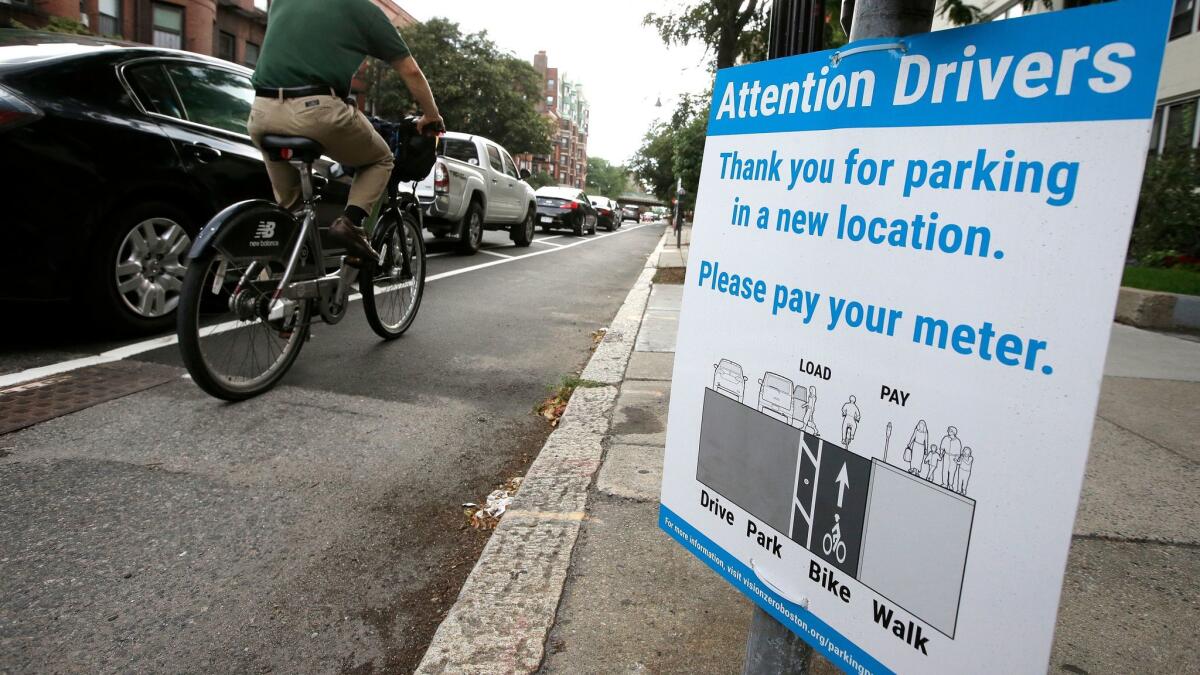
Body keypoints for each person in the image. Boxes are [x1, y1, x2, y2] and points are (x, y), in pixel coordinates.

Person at [247, 0, 443, 264]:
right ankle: (350, 224)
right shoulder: (364, 10)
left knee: (291, 214)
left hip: (261, 113)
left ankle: (277, 282)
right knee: (381, 159)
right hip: (316, 111)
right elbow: (410, 70)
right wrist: (432, 115)